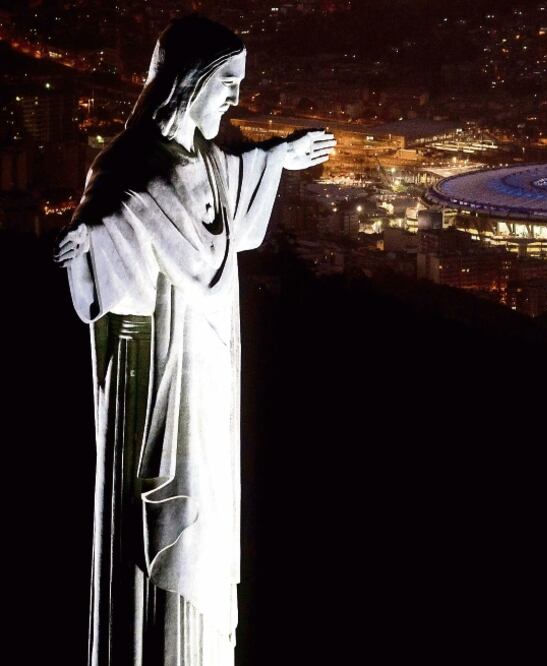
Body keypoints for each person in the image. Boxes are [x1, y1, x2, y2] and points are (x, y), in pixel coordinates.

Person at [53, 15, 333, 666]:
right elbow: (107, 258)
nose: (236, 96)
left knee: (206, 517)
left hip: (208, 365)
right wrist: (85, 248)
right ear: (188, 83)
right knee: (169, 523)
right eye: (227, 82)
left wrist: (279, 155)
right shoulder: (127, 164)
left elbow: (233, 191)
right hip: (160, 382)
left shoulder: (205, 158)